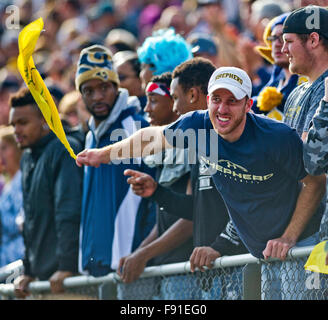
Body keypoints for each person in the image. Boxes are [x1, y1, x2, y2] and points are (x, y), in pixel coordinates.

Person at [76, 66, 326, 265]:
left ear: (248, 105)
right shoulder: (198, 125)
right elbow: (151, 138)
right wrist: (102, 154)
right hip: (263, 250)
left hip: (301, 243)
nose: (222, 109)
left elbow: (315, 182)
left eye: (232, 101)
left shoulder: (276, 136)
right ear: (207, 100)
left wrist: (289, 237)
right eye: (216, 99)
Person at [125, 58, 248, 300]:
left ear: (192, 95)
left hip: (238, 267)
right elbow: (198, 209)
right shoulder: (199, 143)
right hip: (210, 272)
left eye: (176, 98)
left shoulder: (237, 139)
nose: (174, 108)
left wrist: (219, 247)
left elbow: (249, 205)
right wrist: (157, 192)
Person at [75, 44, 156, 278]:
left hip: (133, 265)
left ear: (116, 86)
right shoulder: (90, 136)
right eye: (88, 91)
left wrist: (142, 252)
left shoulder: (137, 127)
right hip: (98, 264)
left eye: (104, 87)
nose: (98, 97)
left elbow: (157, 197)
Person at [117, 72, 195, 300]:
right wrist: (139, 252)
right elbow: (165, 219)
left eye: (154, 101)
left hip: (185, 270)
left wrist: (143, 255)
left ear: (174, 103)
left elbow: (190, 218)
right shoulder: (164, 151)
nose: (147, 109)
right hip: (166, 267)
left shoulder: (195, 145)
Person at [9, 88, 83, 297]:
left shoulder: (64, 149)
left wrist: (66, 266)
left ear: (44, 120)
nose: (16, 130)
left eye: (23, 123)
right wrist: (29, 271)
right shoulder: (28, 157)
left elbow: (69, 211)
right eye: (13, 124)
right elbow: (30, 221)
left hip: (68, 279)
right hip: (45, 279)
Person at [282, 5, 328, 140]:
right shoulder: (296, 92)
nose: (284, 49)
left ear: (313, 40)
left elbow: (310, 154)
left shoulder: (325, 89)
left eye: (289, 41)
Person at [252, 12, 307, 121]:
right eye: (273, 38)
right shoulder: (275, 80)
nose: (277, 44)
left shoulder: (307, 81)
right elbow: (256, 103)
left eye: (283, 38)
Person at [0, 126, 24, 268]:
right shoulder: (7, 184)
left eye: (4, 148)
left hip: (18, 259)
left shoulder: (22, 179)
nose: (1, 154)